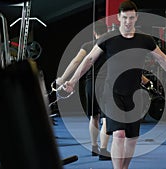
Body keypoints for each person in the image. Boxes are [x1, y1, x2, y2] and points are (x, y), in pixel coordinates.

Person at [63, 0, 166, 168]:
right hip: (112, 93)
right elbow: (89, 59)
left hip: (134, 94)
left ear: (136, 18)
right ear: (119, 18)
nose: (128, 22)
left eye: (131, 18)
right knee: (119, 134)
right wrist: (72, 81)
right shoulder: (109, 38)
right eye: (125, 18)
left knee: (132, 138)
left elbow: (162, 59)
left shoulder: (144, 40)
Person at [56, 21, 111, 161]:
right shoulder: (110, 44)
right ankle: (103, 150)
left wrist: (63, 78)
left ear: (94, 32)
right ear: (108, 30)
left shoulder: (87, 45)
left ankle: (94, 147)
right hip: (106, 83)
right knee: (106, 118)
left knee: (94, 116)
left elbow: (76, 61)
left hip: (90, 83)